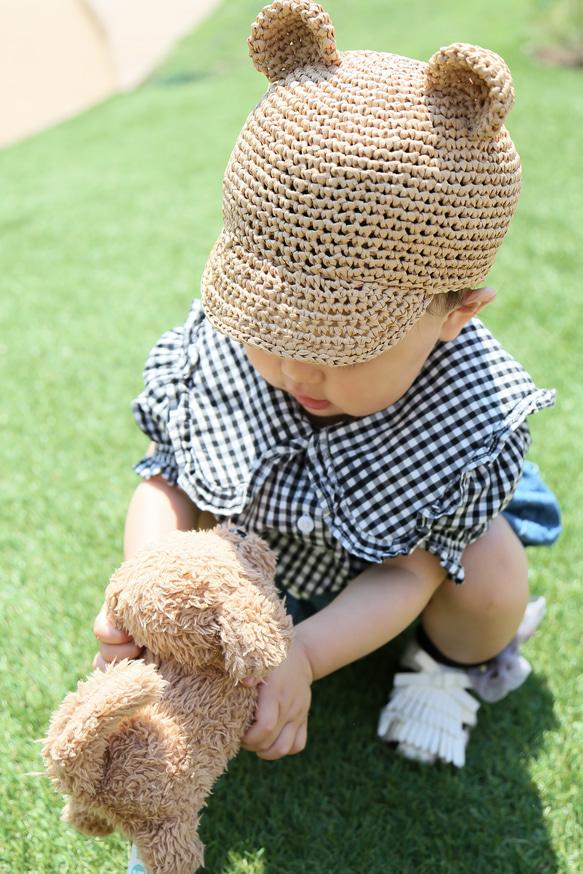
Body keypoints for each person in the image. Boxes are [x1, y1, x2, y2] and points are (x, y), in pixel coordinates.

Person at [93, 0, 560, 767]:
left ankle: (446, 672)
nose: (292, 368)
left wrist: (301, 653)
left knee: (487, 571)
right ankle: (222, 610)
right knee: (186, 528)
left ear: (455, 314)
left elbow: (410, 568)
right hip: (266, 536)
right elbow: (165, 482)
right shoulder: (225, 349)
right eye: (268, 329)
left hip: (395, 554)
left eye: (340, 346)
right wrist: (151, 578)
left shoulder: (464, 412)